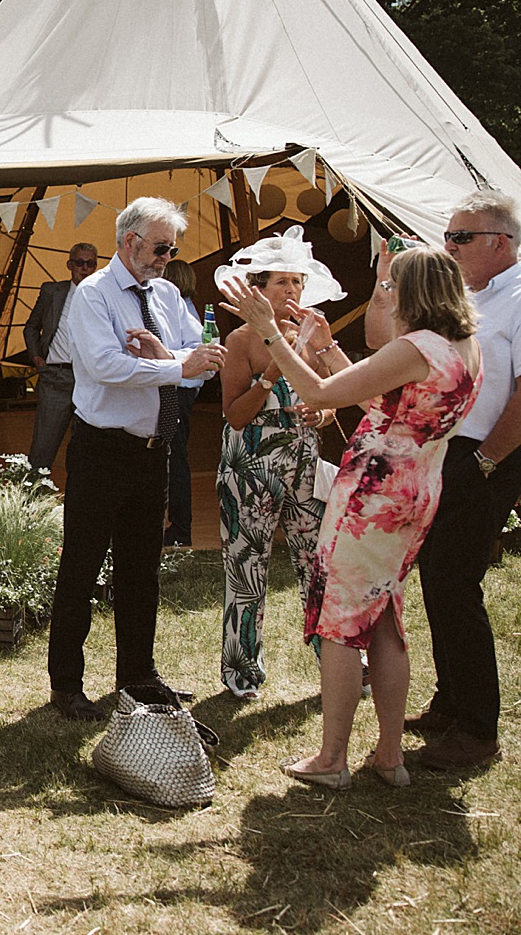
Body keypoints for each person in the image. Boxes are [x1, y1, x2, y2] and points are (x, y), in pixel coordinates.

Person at [223, 244, 480, 789]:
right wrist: (328, 346)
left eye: (390, 289)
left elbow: (320, 391)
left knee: (340, 624)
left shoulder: (415, 345)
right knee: (385, 615)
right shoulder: (463, 347)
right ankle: (389, 756)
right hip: (417, 488)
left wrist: (270, 331)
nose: (385, 299)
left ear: (414, 295)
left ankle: (331, 759)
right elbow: (378, 400)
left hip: (373, 497)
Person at [47, 198, 222, 721]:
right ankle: (67, 685)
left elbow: (206, 362)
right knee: (81, 566)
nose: (169, 257)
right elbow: (103, 367)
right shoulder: (93, 295)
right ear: (130, 243)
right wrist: (177, 367)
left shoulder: (168, 294)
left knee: (142, 570)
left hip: (154, 451)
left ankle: (138, 677)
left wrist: (166, 360)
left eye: (173, 248)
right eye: (162, 247)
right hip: (102, 450)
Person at [377, 193, 521, 771]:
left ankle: (478, 729)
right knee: (438, 580)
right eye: (448, 236)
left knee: (456, 583)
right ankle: (451, 703)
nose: (448, 247)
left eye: (460, 237)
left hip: (486, 458)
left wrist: (486, 460)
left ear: (499, 242)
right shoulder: (476, 297)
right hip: (454, 454)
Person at [211, 229, 344, 698]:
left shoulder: (314, 337)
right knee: (248, 569)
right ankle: (242, 670)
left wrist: (321, 412)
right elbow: (234, 415)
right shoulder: (242, 339)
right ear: (259, 292)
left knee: (319, 565)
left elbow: (336, 398)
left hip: (306, 466)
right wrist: (269, 376)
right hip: (251, 469)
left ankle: (341, 665)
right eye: (282, 283)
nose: (292, 291)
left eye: (297, 282)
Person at [25, 242, 99, 473]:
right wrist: (37, 357)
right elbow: (31, 327)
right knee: (43, 446)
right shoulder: (52, 291)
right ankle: (31, 497)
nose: (84, 268)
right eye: (79, 263)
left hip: (89, 379)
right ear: (70, 265)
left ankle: (81, 501)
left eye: (90, 264)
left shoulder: (102, 296)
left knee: (88, 447)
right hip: (56, 376)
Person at [160, 259, 206, 549]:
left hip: (178, 388)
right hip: (186, 388)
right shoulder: (189, 307)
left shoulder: (178, 309)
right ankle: (177, 524)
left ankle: (180, 527)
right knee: (174, 456)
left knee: (174, 458)